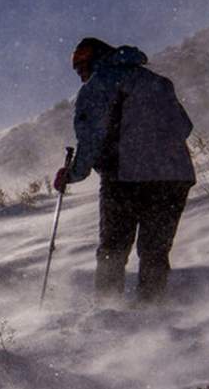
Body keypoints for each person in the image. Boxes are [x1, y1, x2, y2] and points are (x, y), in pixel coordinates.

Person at [54, 37, 195, 304]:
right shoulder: (158, 82)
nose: (79, 72)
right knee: (155, 251)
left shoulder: (98, 86)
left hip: (126, 177)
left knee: (113, 250)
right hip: (174, 177)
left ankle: (108, 312)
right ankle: (151, 310)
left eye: (81, 64)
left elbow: (91, 139)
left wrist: (71, 175)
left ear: (96, 59)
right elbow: (184, 127)